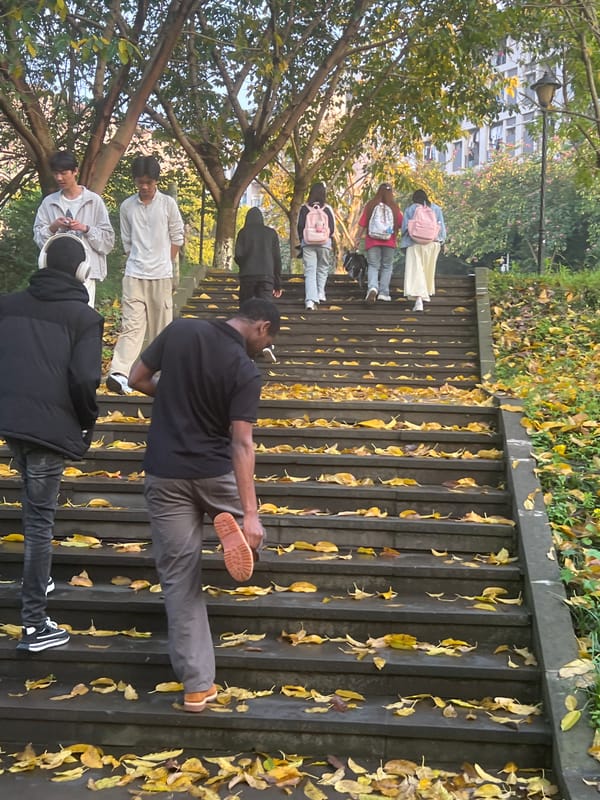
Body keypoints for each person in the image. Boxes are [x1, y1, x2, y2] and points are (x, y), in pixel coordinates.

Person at [128, 298, 280, 713]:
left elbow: (137, 379)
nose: (261, 349)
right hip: (216, 475)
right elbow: (242, 441)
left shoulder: (180, 330)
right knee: (256, 534)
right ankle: (244, 540)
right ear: (261, 327)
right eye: (266, 340)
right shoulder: (245, 371)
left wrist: (173, 395)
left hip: (165, 472)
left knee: (179, 579)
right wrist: (250, 513)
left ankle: (197, 686)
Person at [0, 233, 103, 652]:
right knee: (40, 523)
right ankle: (34, 624)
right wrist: (86, 421)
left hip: (13, 423)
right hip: (49, 427)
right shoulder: (85, 318)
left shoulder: (7, 304)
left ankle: (37, 577)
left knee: (33, 508)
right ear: (83, 271)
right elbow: (84, 379)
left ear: (43, 261)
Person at [106, 155, 184, 395]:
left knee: (161, 328)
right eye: (140, 182)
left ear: (156, 181)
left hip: (161, 275)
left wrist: (165, 263)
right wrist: (139, 261)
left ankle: (161, 374)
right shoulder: (127, 206)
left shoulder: (167, 204)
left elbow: (177, 237)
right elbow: (127, 242)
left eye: (149, 182)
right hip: (134, 275)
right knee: (132, 326)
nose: (144, 186)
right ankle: (119, 374)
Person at [33, 150, 115, 309]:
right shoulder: (49, 203)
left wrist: (86, 228)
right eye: (56, 173)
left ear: (75, 171)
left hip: (85, 272)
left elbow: (108, 242)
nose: (59, 178)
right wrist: (53, 227)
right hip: (55, 274)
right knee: (58, 318)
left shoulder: (93, 201)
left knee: (83, 317)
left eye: (63, 173)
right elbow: (38, 239)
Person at [234, 206, 282, 363]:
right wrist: (277, 283)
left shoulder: (243, 232)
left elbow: (238, 255)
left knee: (247, 311)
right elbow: (277, 259)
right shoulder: (271, 233)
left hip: (248, 276)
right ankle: (267, 343)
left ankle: (245, 346)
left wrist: (245, 264)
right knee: (265, 311)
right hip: (267, 277)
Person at [355, 182, 403, 303]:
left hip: (372, 241)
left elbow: (362, 223)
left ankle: (372, 288)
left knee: (373, 266)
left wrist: (357, 238)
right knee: (386, 266)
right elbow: (401, 224)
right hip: (389, 241)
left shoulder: (371, 205)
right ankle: (384, 293)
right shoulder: (394, 207)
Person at [400, 189, 446, 312]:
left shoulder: (410, 209)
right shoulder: (436, 208)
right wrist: (441, 242)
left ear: (414, 199)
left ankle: (419, 299)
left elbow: (404, 229)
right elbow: (442, 229)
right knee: (427, 271)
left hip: (414, 243)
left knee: (416, 271)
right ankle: (424, 294)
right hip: (432, 244)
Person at [297, 182, 335, 310]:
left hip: (308, 243)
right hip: (324, 243)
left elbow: (300, 227)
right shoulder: (327, 209)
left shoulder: (304, 208)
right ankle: (320, 292)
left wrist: (303, 239)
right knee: (323, 268)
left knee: (310, 271)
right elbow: (333, 229)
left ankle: (310, 300)